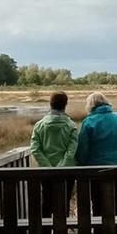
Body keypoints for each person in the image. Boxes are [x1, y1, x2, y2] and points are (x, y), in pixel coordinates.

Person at [75, 92, 117, 220]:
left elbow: (83, 147)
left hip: (96, 169)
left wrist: (80, 163)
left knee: (97, 200)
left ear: (90, 106)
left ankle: (99, 233)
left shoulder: (89, 122)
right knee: (116, 198)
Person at [29, 91, 78, 221]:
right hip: (67, 172)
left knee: (46, 202)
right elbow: (72, 150)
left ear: (50, 104)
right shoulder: (71, 125)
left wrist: (48, 166)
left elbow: (35, 148)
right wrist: (61, 166)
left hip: (46, 172)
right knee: (63, 202)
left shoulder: (39, 125)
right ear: (65, 105)